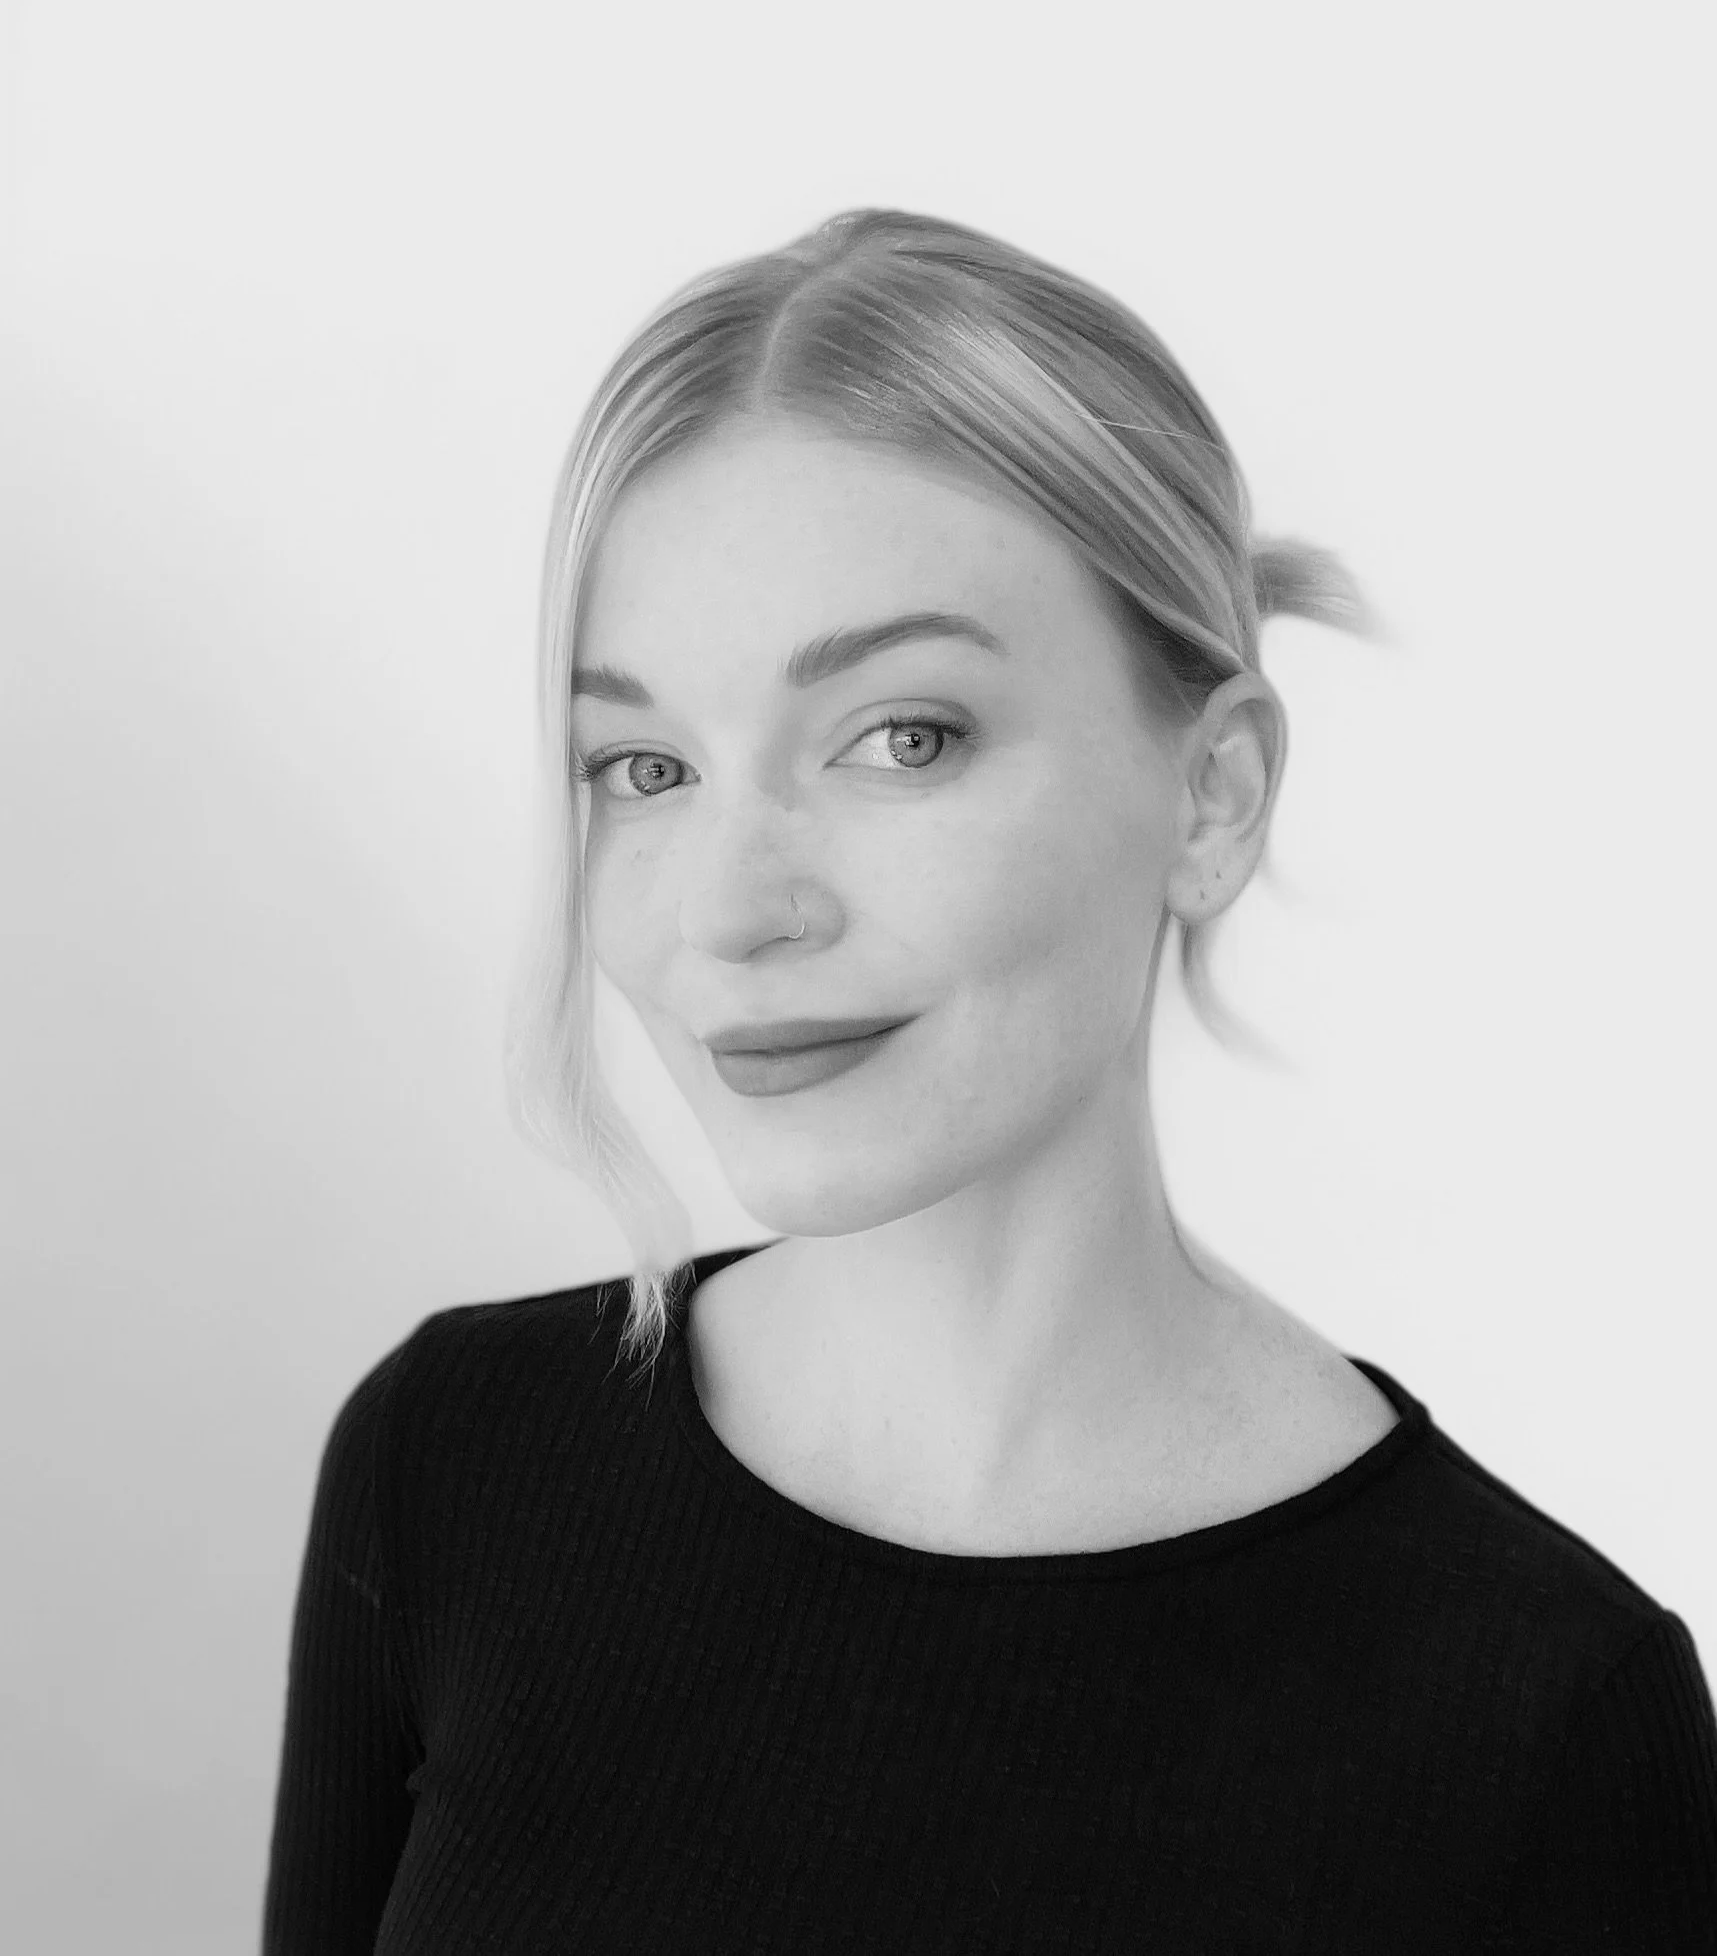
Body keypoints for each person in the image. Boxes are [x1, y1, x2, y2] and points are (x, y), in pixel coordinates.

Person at [262, 209, 1717, 1952]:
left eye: (902, 737)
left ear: (1215, 795)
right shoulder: (451, 1467)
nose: (730, 909)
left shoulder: (1547, 1716)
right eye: (642, 765)